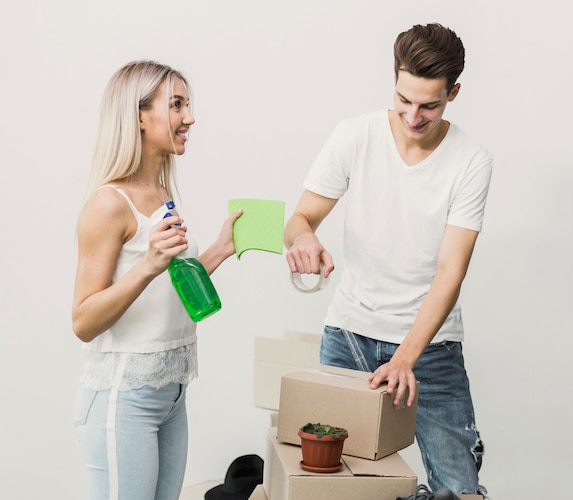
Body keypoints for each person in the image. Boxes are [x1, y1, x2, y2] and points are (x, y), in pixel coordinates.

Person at [284, 23, 491, 496]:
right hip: (349, 336)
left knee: (459, 489)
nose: (413, 116)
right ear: (393, 81)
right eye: (403, 99)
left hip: (429, 351)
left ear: (453, 92)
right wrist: (304, 239)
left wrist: (405, 359)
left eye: (429, 105)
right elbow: (301, 217)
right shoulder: (354, 135)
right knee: (332, 486)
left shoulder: (471, 160)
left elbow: (450, 271)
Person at [72, 60, 242, 500]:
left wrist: (218, 251)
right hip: (124, 398)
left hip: (173, 393)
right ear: (139, 117)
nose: (190, 118)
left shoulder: (163, 194)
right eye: (177, 105)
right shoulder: (108, 204)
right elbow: (84, 321)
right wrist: (146, 265)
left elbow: (168, 294)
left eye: (188, 104)